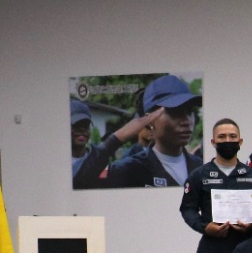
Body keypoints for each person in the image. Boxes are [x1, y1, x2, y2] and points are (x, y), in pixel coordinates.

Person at [179, 117, 252, 253]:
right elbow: (188, 209)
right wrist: (205, 227)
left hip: (245, 246)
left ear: (240, 141)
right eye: (222, 136)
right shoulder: (199, 175)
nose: (227, 140)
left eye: (232, 136)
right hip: (212, 249)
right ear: (213, 142)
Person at [73, 75, 202, 189]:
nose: (186, 121)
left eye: (189, 111)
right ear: (149, 120)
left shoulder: (202, 166)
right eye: (175, 112)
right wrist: (115, 139)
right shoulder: (130, 169)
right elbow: (78, 183)